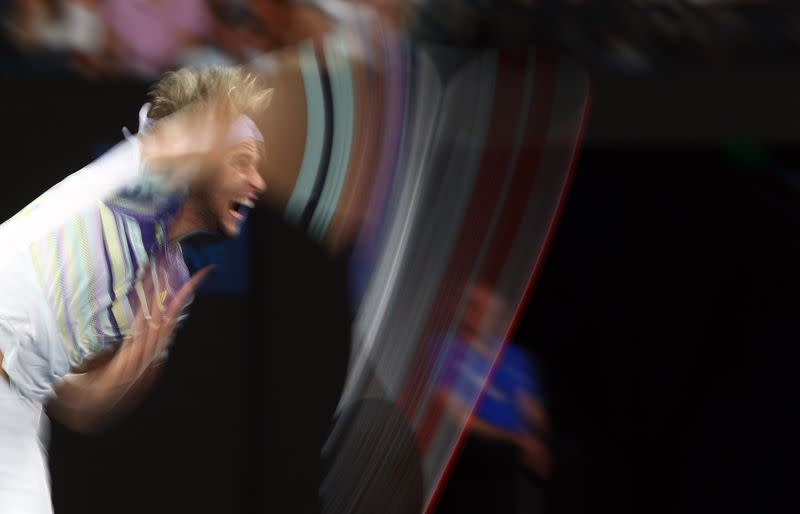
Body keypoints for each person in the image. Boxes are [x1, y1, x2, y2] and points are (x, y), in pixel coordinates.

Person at [0, 65, 272, 514]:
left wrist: (127, 370)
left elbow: (79, 405)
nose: (259, 182)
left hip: (19, 406)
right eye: (242, 160)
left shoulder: (169, 285)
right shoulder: (140, 179)